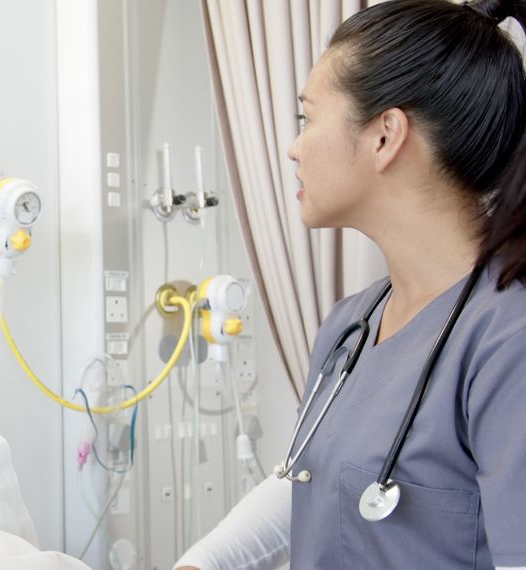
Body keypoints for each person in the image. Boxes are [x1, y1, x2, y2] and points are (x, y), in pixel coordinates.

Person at [175, 0, 526, 568]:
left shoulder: (507, 337)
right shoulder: (350, 328)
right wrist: (200, 563)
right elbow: (310, 483)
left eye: (307, 119)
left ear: (386, 135)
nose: (293, 147)